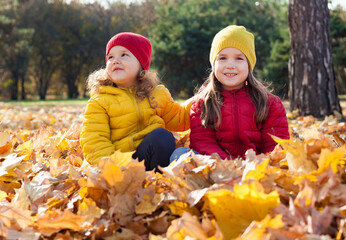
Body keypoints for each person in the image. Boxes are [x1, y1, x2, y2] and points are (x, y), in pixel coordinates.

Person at [170, 25, 289, 162]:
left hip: (256, 169)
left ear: (249, 65)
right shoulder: (203, 102)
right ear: (213, 64)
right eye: (222, 58)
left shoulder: (269, 102)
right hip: (217, 166)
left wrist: (256, 165)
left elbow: (275, 144)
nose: (230, 65)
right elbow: (203, 142)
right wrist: (229, 164)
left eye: (239, 58)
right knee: (179, 154)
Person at [80, 32, 191, 171]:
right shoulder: (100, 100)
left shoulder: (156, 94)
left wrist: (200, 100)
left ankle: (157, 180)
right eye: (110, 57)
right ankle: (131, 181)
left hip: (149, 156)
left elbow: (180, 118)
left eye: (124, 55)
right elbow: (95, 139)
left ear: (141, 64)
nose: (115, 60)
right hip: (121, 164)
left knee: (162, 136)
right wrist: (111, 169)